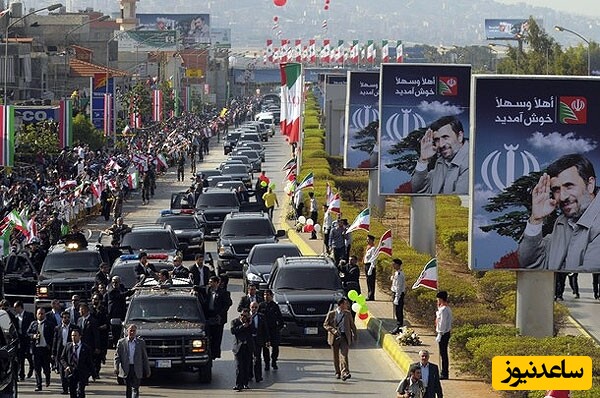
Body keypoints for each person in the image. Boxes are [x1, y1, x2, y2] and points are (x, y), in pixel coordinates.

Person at [518, 154, 600, 270]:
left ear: (590, 184)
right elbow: (532, 265)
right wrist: (536, 219)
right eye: (556, 189)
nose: (562, 197)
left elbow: (587, 279)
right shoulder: (562, 222)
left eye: (569, 186)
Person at [411, 115, 468, 194]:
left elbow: (458, 201)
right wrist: (423, 159)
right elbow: (419, 190)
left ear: (460, 136)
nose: (441, 144)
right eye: (437, 139)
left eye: (445, 137)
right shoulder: (441, 161)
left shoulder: (470, 160)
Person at [323, 297, 357, 381]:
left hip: (344, 337)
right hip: (334, 338)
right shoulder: (332, 314)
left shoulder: (348, 314)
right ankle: (337, 372)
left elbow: (352, 325)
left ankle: (345, 372)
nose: (347, 305)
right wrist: (333, 330)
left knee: (344, 355)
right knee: (336, 357)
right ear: (341, 304)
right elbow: (325, 324)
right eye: (345, 304)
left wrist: (355, 335)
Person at [114, 324, 151, 398]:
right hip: (127, 369)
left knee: (135, 388)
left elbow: (144, 357)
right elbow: (117, 356)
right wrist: (116, 367)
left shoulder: (140, 343)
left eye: (134, 331)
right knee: (128, 388)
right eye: (130, 331)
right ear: (127, 331)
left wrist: (147, 370)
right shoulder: (121, 342)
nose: (132, 333)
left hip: (136, 368)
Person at [200, 276, 232, 360]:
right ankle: (209, 352)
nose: (210, 283)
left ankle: (215, 353)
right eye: (210, 282)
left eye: (212, 282)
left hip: (218, 318)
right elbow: (198, 288)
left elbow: (228, 304)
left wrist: (220, 314)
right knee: (208, 336)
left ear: (217, 283)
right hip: (208, 317)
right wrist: (194, 289)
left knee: (217, 337)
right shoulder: (207, 290)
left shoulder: (224, 293)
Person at [60, 329, 94, 398]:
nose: (73, 337)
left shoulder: (85, 348)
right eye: (72, 335)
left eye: (75, 335)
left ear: (80, 336)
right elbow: (62, 358)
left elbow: (89, 362)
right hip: (71, 372)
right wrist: (66, 366)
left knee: (80, 391)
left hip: (82, 373)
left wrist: (92, 373)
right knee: (72, 392)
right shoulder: (68, 346)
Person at [28, 307, 54, 391]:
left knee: (46, 367)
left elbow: (53, 336)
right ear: (36, 314)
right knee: (37, 368)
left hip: (45, 349)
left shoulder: (49, 324)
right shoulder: (33, 324)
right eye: (39, 313)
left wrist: (50, 346)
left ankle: (47, 378)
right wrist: (33, 336)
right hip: (36, 349)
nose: (40, 315)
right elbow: (27, 333)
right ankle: (38, 385)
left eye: (42, 313)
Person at [52, 311, 78, 395]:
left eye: (67, 317)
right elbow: (55, 340)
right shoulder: (57, 328)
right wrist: (53, 352)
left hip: (70, 351)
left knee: (70, 370)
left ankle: (72, 387)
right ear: (61, 318)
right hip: (60, 351)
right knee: (62, 372)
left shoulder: (74, 328)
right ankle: (65, 389)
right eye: (64, 317)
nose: (66, 319)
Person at [107, 276, 135, 347]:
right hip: (114, 314)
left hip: (122, 313)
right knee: (116, 331)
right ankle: (116, 344)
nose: (114, 284)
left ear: (119, 282)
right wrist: (132, 291)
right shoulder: (111, 290)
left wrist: (133, 289)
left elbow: (125, 291)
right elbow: (122, 295)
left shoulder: (121, 287)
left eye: (116, 282)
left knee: (123, 330)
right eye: (113, 282)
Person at [231, 308, 255, 391]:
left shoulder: (250, 323)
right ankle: (238, 384)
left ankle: (245, 383)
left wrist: (250, 323)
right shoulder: (235, 322)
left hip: (247, 347)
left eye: (245, 315)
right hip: (238, 348)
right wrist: (242, 326)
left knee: (246, 366)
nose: (243, 317)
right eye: (241, 315)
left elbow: (254, 331)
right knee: (238, 366)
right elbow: (233, 331)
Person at [259, 289, 283, 371]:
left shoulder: (275, 306)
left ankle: (274, 361)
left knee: (275, 347)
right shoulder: (261, 305)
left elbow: (280, 318)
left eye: (268, 295)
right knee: (265, 348)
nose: (266, 296)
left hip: (273, 330)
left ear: (271, 296)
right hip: (265, 330)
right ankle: (267, 363)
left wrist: (279, 328)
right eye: (265, 295)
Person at [78, 303, 100, 379]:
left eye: (81, 310)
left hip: (90, 346)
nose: (79, 312)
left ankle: (90, 375)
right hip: (81, 345)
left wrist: (97, 347)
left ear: (85, 310)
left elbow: (96, 335)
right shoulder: (79, 320)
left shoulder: (93, 321)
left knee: (88, 362)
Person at [14, 300, 35, 380]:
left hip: (28, 339)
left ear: (20, 307)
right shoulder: (16, 317)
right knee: (21, 357)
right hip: (20, 339)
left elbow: (33, 326)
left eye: (16, 307)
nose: (15, 309)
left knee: (29, 356)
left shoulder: (29, 315)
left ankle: (31, 367)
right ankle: (21, 374)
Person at [249, 301, 269, 383]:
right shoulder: (246, 316)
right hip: (249, 340)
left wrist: (267, 340)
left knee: (257, 358)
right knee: (249, 358)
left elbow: (265, 329)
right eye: (252, 307)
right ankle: (249, 375)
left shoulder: (261, 316)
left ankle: (258, 376)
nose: (254, 309)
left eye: (255, 307)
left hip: (258, 340)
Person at [435, 291, 452, 380]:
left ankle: (444, 373)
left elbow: (443, 323)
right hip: (444, 333)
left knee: (443, 353)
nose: (437, 300)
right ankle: (443, 372)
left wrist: (440, 333)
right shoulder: (443, 309)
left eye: (438, 299)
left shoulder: (444, 309)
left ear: (441, 299)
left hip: (444, 333)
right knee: (442, 353)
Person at [390, 258, 406, 335]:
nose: (392, 265)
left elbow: (399, 287)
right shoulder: (396, 273)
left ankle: (399, 327)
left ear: (398, 265)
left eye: (394, 264)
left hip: (398, 294)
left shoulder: (400, 274)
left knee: (398, 311)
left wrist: (397, 297)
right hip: (395, 293)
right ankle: (398, 326)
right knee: (396, 311)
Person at [364, 234, 377, 301]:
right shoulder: (368, 247)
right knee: (368, 281)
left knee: (371, 282)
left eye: (368, 239)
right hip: (366, 265)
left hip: (370, 266)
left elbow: (374, 259)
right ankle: (369, 295)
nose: (367, 241)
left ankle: (371, 296)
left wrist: (371, 268)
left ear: (372, 240)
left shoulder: (373, 249)